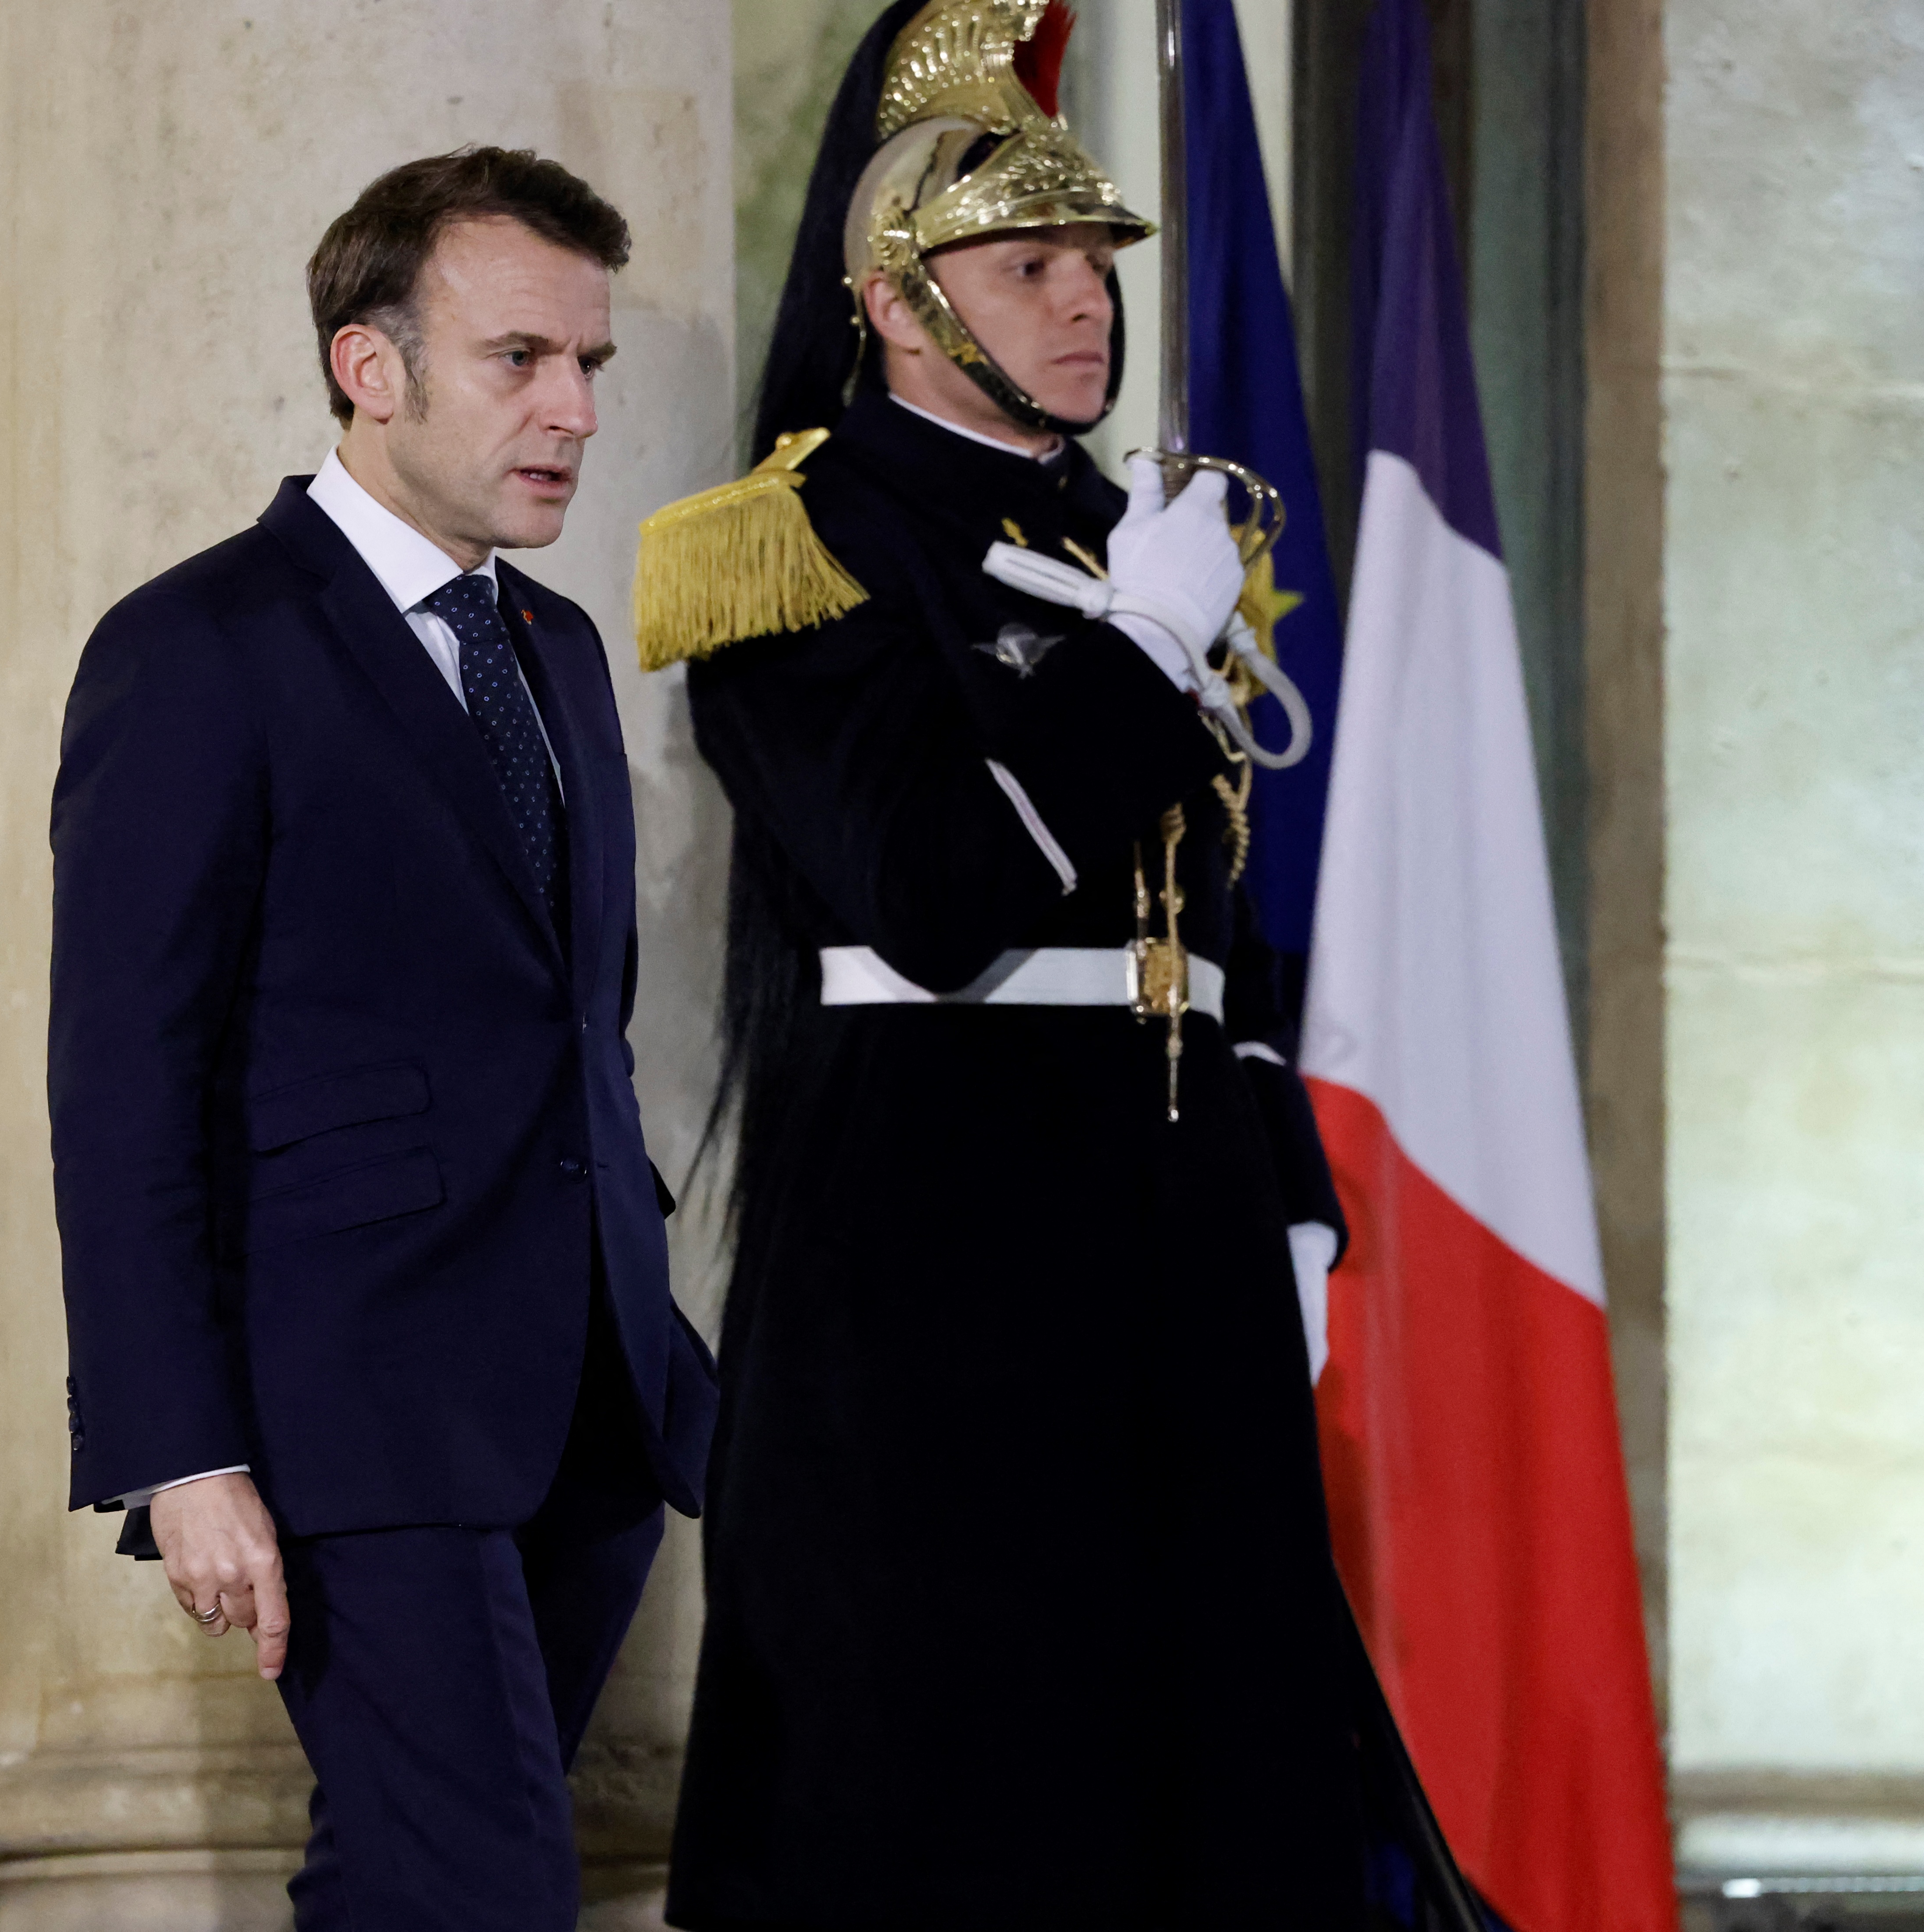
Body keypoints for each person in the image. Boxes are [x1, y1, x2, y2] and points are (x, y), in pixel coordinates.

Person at [640, 3, 1371, 1925]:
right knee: (964, 1759)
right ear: (893, 302)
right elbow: (935, 886)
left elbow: (1196, 922)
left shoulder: (1111, 530)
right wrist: (1136, 652)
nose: (1083, 308)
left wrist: (1274, 1176)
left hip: (1171, 1217)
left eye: (1093, 267)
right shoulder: (786, 543)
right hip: (935, 1235)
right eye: (1025, 267)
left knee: (1215, 1763)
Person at [49, 146, 716, 1929]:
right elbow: (122, 1083)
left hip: (579, 1405)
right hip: (343, 1407)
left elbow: (576, 1029)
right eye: (521, 358)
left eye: (588, 365)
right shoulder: (195, 647)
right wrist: (177, 1449)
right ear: (370, 365)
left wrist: (658, 1341)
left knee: (409, 1887)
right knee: (481, 1887)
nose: (571, 408)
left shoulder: (562, 647)